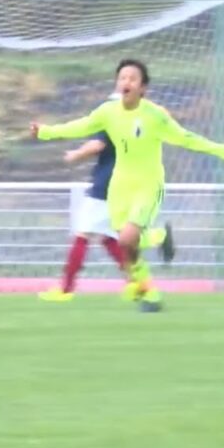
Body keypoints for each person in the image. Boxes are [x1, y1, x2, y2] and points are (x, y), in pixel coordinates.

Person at [31, 59, 224, 311]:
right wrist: (46, 132)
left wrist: (221, 150)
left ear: (143, 88)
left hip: (148, 185)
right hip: (119, 186)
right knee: (124, 243)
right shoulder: (108, 112)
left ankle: (156, 240)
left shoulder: (154, 115)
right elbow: (80, 126)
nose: (126, 82)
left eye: (132, 78)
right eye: (122, 78)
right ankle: (150, 292)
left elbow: (185, 138)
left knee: (127, 237)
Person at [39, 90, 175, 303]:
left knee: (82, 234)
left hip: (106, 186)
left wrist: (75, 154)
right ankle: (138, 279)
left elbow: (97, 145)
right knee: (111, 238)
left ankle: (65, 289)